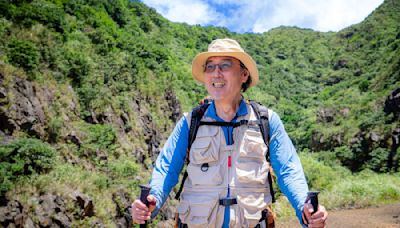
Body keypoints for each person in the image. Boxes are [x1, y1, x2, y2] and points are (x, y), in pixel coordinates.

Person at [131, 38, 328, 227]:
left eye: (225, 65)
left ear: (244, 75)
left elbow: (288, 170)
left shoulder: (266, 121)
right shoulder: (190, 122)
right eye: (210, 66)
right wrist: (152, 200)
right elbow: (166, 168)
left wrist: (306, 207)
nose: (216, 73)